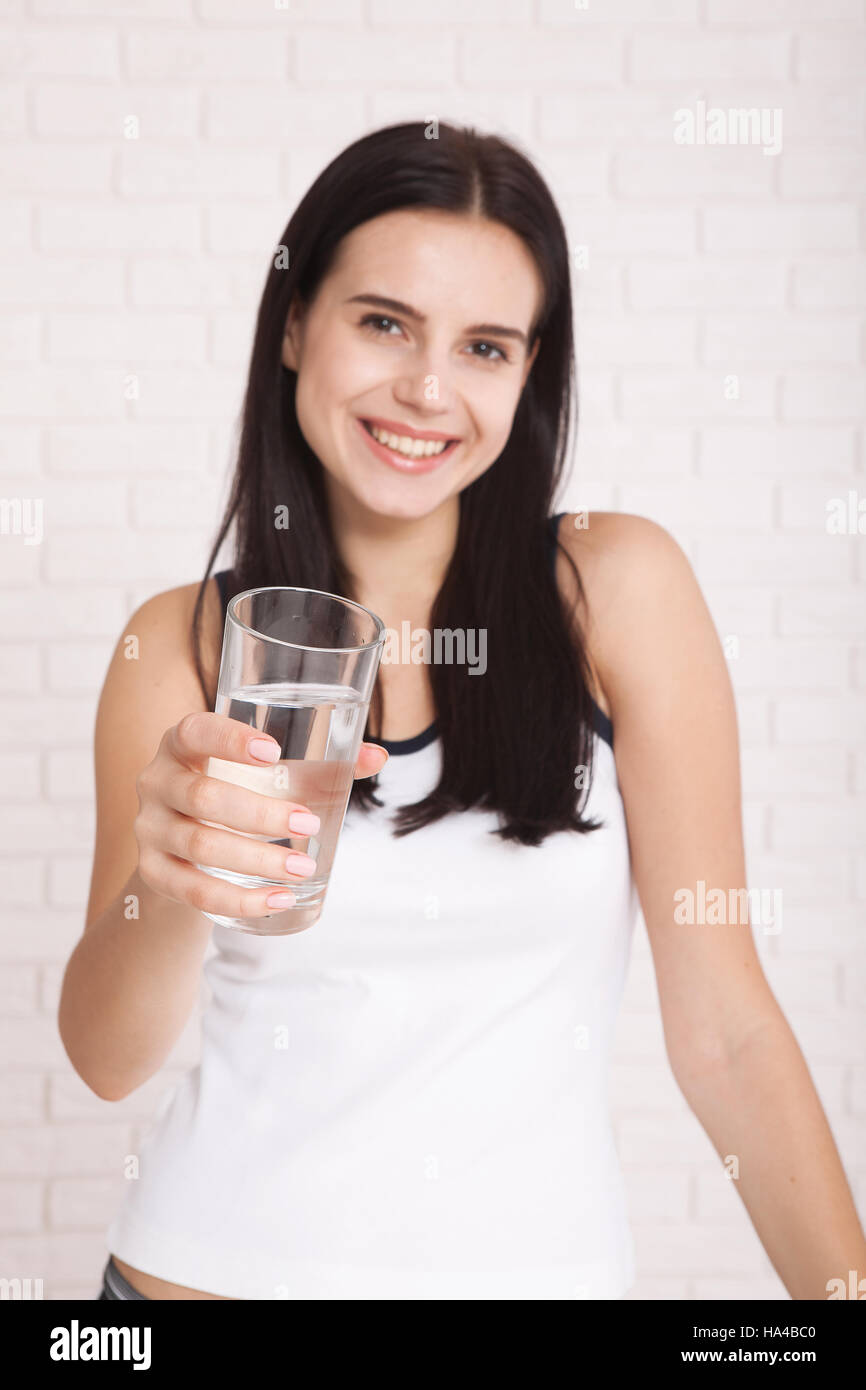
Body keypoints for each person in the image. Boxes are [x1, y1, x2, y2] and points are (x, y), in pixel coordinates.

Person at [59, 122, 866, 1302]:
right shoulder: (178, 642)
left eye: (484, 347)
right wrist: (172, 878)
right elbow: (104, 1056)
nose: (427, 389)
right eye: (382, 322)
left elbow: (728, 1035)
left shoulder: (615, 592)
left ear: (528, 373)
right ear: (294, 327)